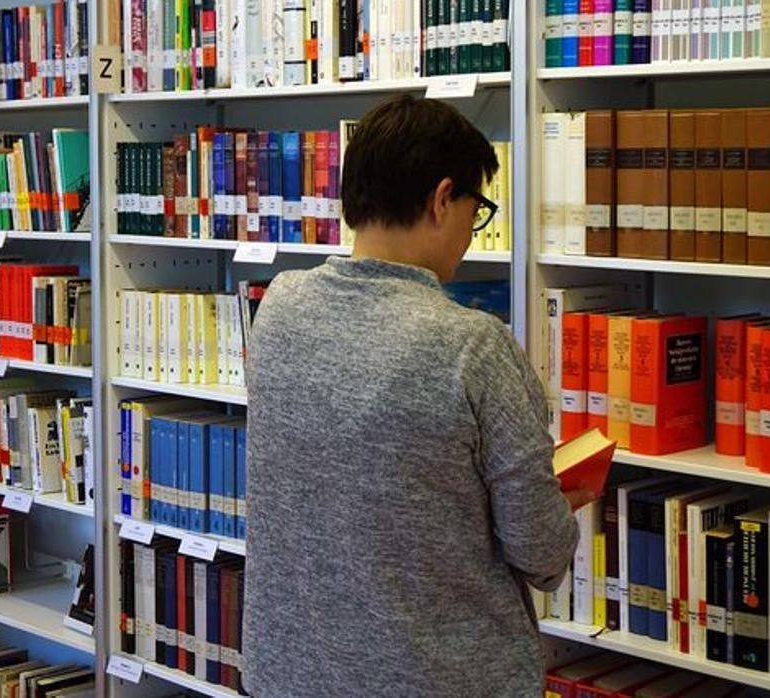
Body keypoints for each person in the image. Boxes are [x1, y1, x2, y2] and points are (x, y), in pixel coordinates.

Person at [242, 95, 590, 697]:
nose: (470, 232)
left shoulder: (279, 306)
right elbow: (542, 557)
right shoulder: (473, 346)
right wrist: (562, 507)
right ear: (440, 199)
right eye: (474, 209)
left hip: (292, 674)